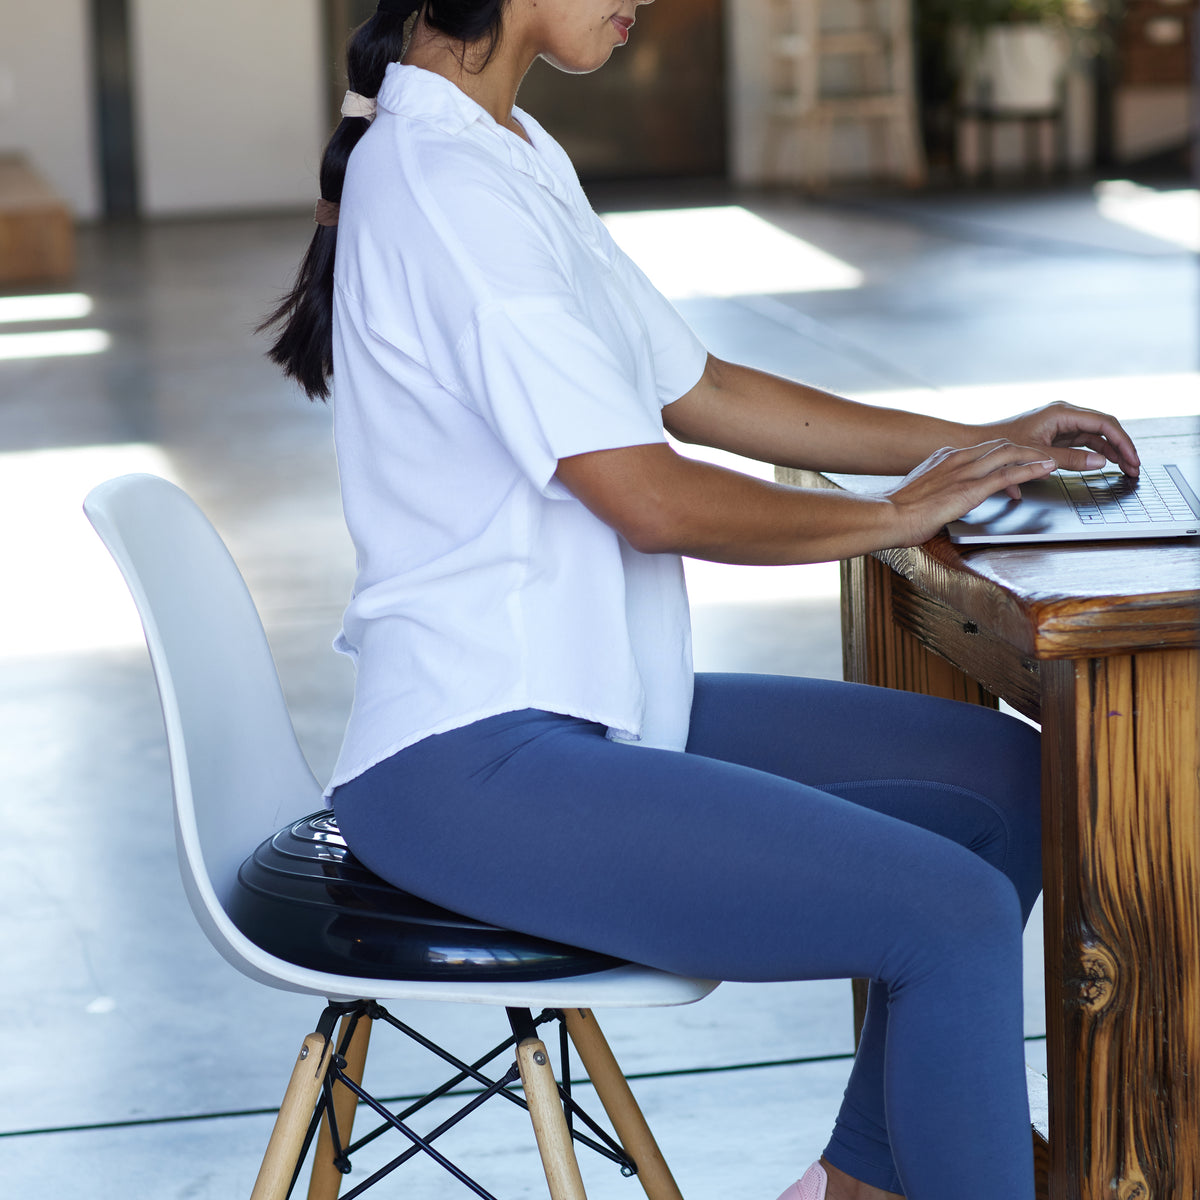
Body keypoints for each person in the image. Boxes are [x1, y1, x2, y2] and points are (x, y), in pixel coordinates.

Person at [260, 2, 1140, 1197]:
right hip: (473, 763)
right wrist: (894, 514)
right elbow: (650, 498)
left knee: (1008, 789)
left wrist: (989, 441)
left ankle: (863, 1185)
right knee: (949, 913)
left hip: (589, 702)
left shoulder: (508, 148)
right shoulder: (439, 185)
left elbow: (699, 388)